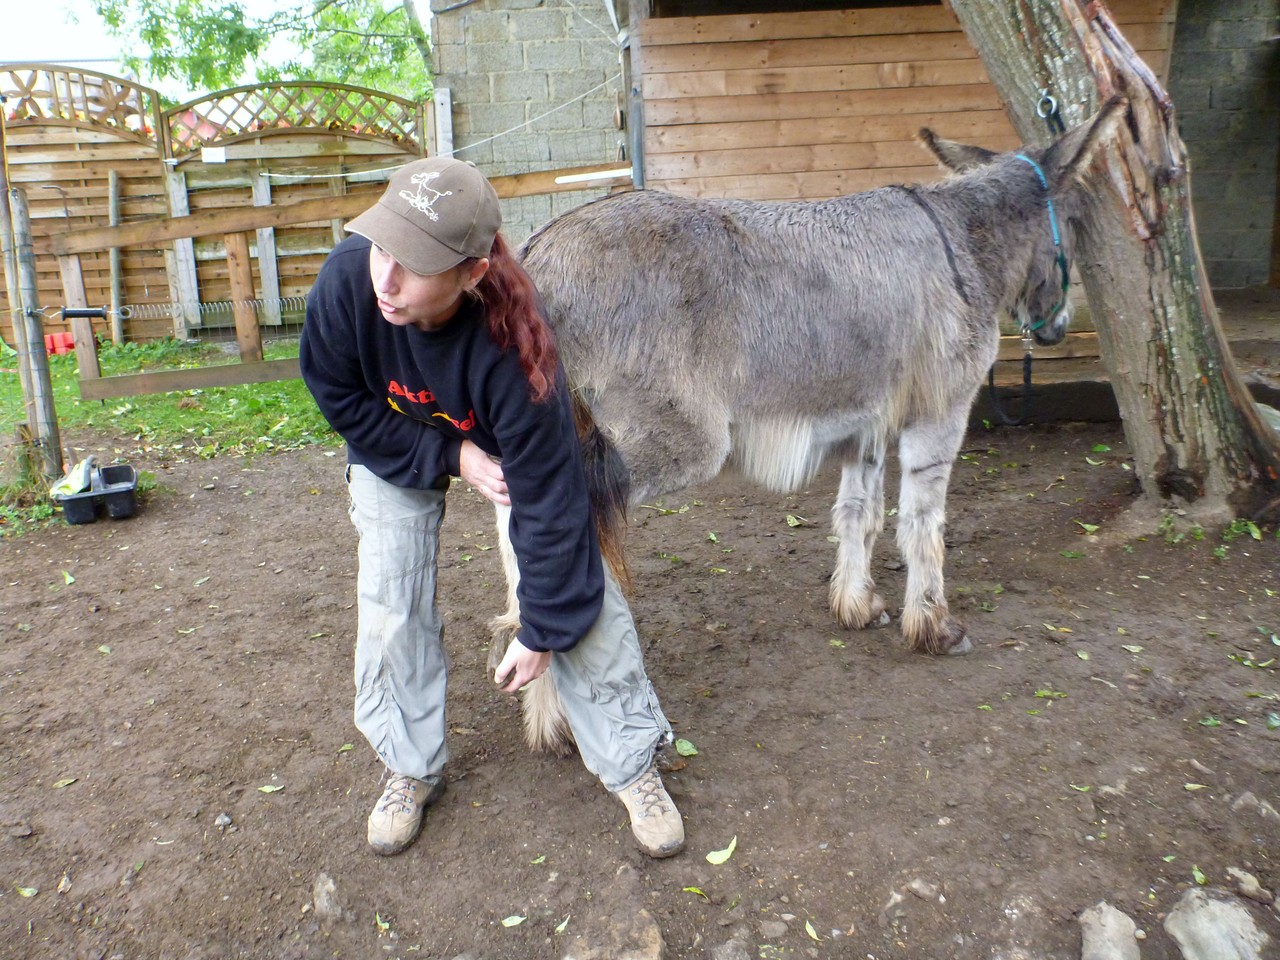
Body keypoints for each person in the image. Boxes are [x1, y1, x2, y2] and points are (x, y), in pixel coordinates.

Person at [299, 156, 685, 860]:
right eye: (382, 246)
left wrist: (540, 629)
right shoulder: (346, 286)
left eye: (413, 263)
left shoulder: (517, 349)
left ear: (471, 272)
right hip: (392, 432)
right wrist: (449, 458)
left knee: (578, 580)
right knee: (390, 591)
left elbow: (551, 508)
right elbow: (341, 400)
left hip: (499, 433)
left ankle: (631, 761)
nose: (385, 279)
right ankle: (408, 766)